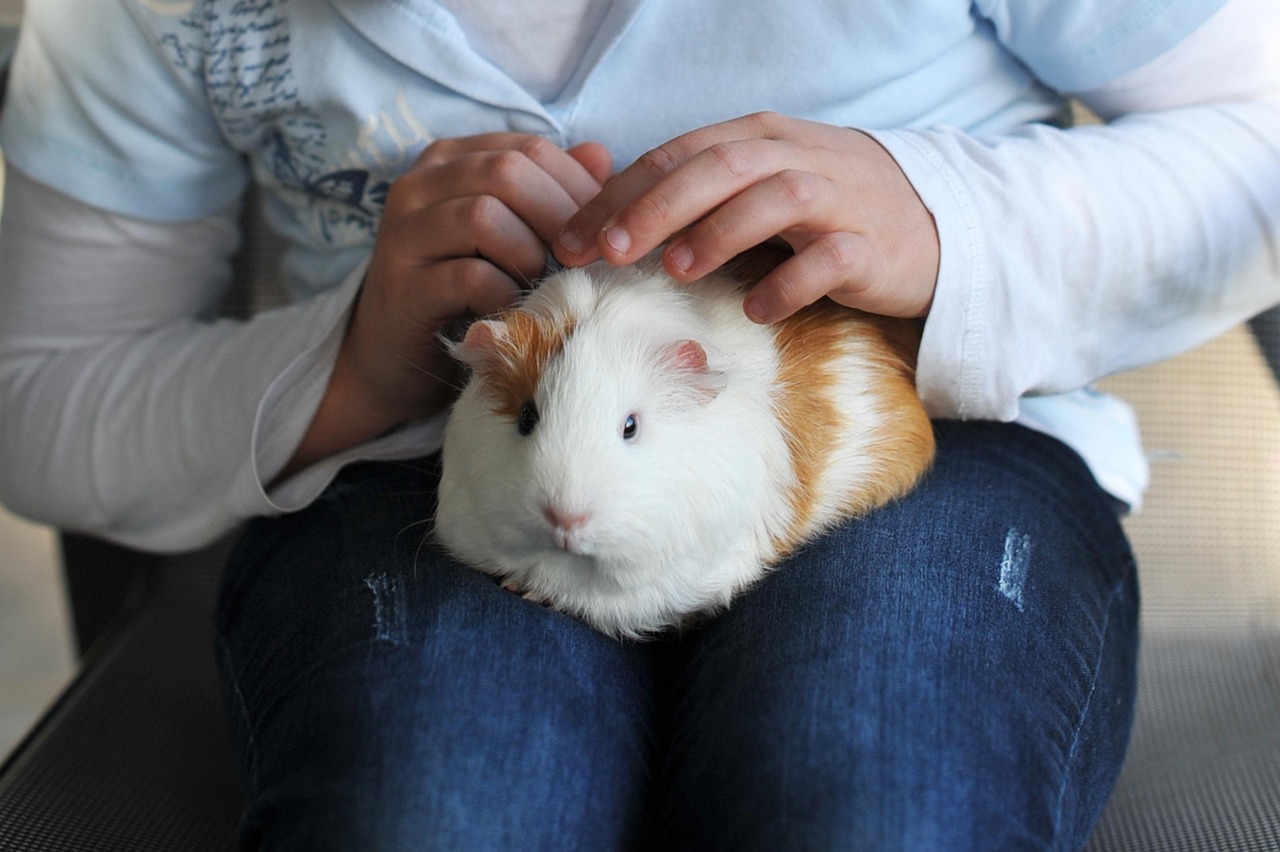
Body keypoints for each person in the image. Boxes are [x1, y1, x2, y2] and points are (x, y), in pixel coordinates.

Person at [0, 0, 1276, 848]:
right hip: (411, 479)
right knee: (434, 811)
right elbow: (37, 398)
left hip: (940, 455)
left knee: (878, 802)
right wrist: (352, 362)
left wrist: (943, 218)